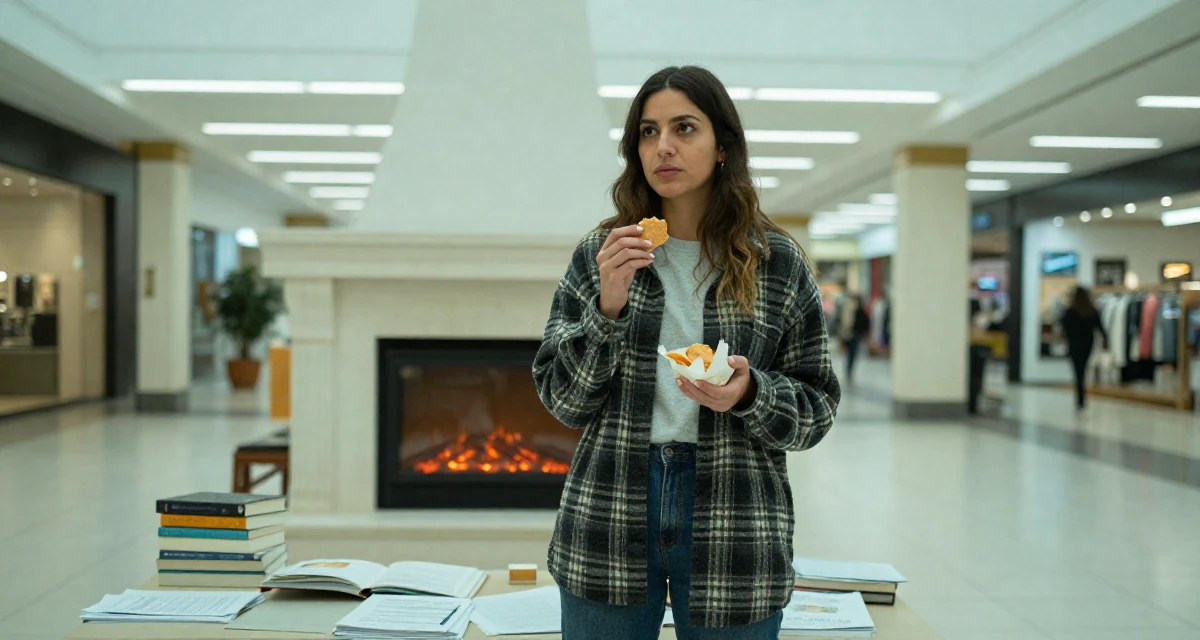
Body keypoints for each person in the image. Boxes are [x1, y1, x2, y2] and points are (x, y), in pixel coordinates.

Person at [532, 66, 841, 640]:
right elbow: (563, 401)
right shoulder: (606, 252)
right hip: (610, 501)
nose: (663, 147)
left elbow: (817, 409)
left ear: (723, 146)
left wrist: (750, 392)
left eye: (684, 128)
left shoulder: (775, 262)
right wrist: (607, 308)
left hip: (736, 510)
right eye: (648, 132)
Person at [1059, 286, 1108, 411]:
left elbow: (1064, 327)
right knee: (1083, 369)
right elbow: (1100, 327)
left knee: (1078, 371)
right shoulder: (1091, 311)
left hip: (1074, 344)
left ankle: (1080, 398)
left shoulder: (1070, 311)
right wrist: (1105, 340)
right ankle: (1081, 397)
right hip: (1087, 343)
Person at [837, 294, 870, 383]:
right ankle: (849, 371)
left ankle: (848, 370)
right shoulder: (859, 310)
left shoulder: (850, 309)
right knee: (852, 353)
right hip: (855, 335)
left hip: (850, 334)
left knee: (850, 353)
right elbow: (865, 323)